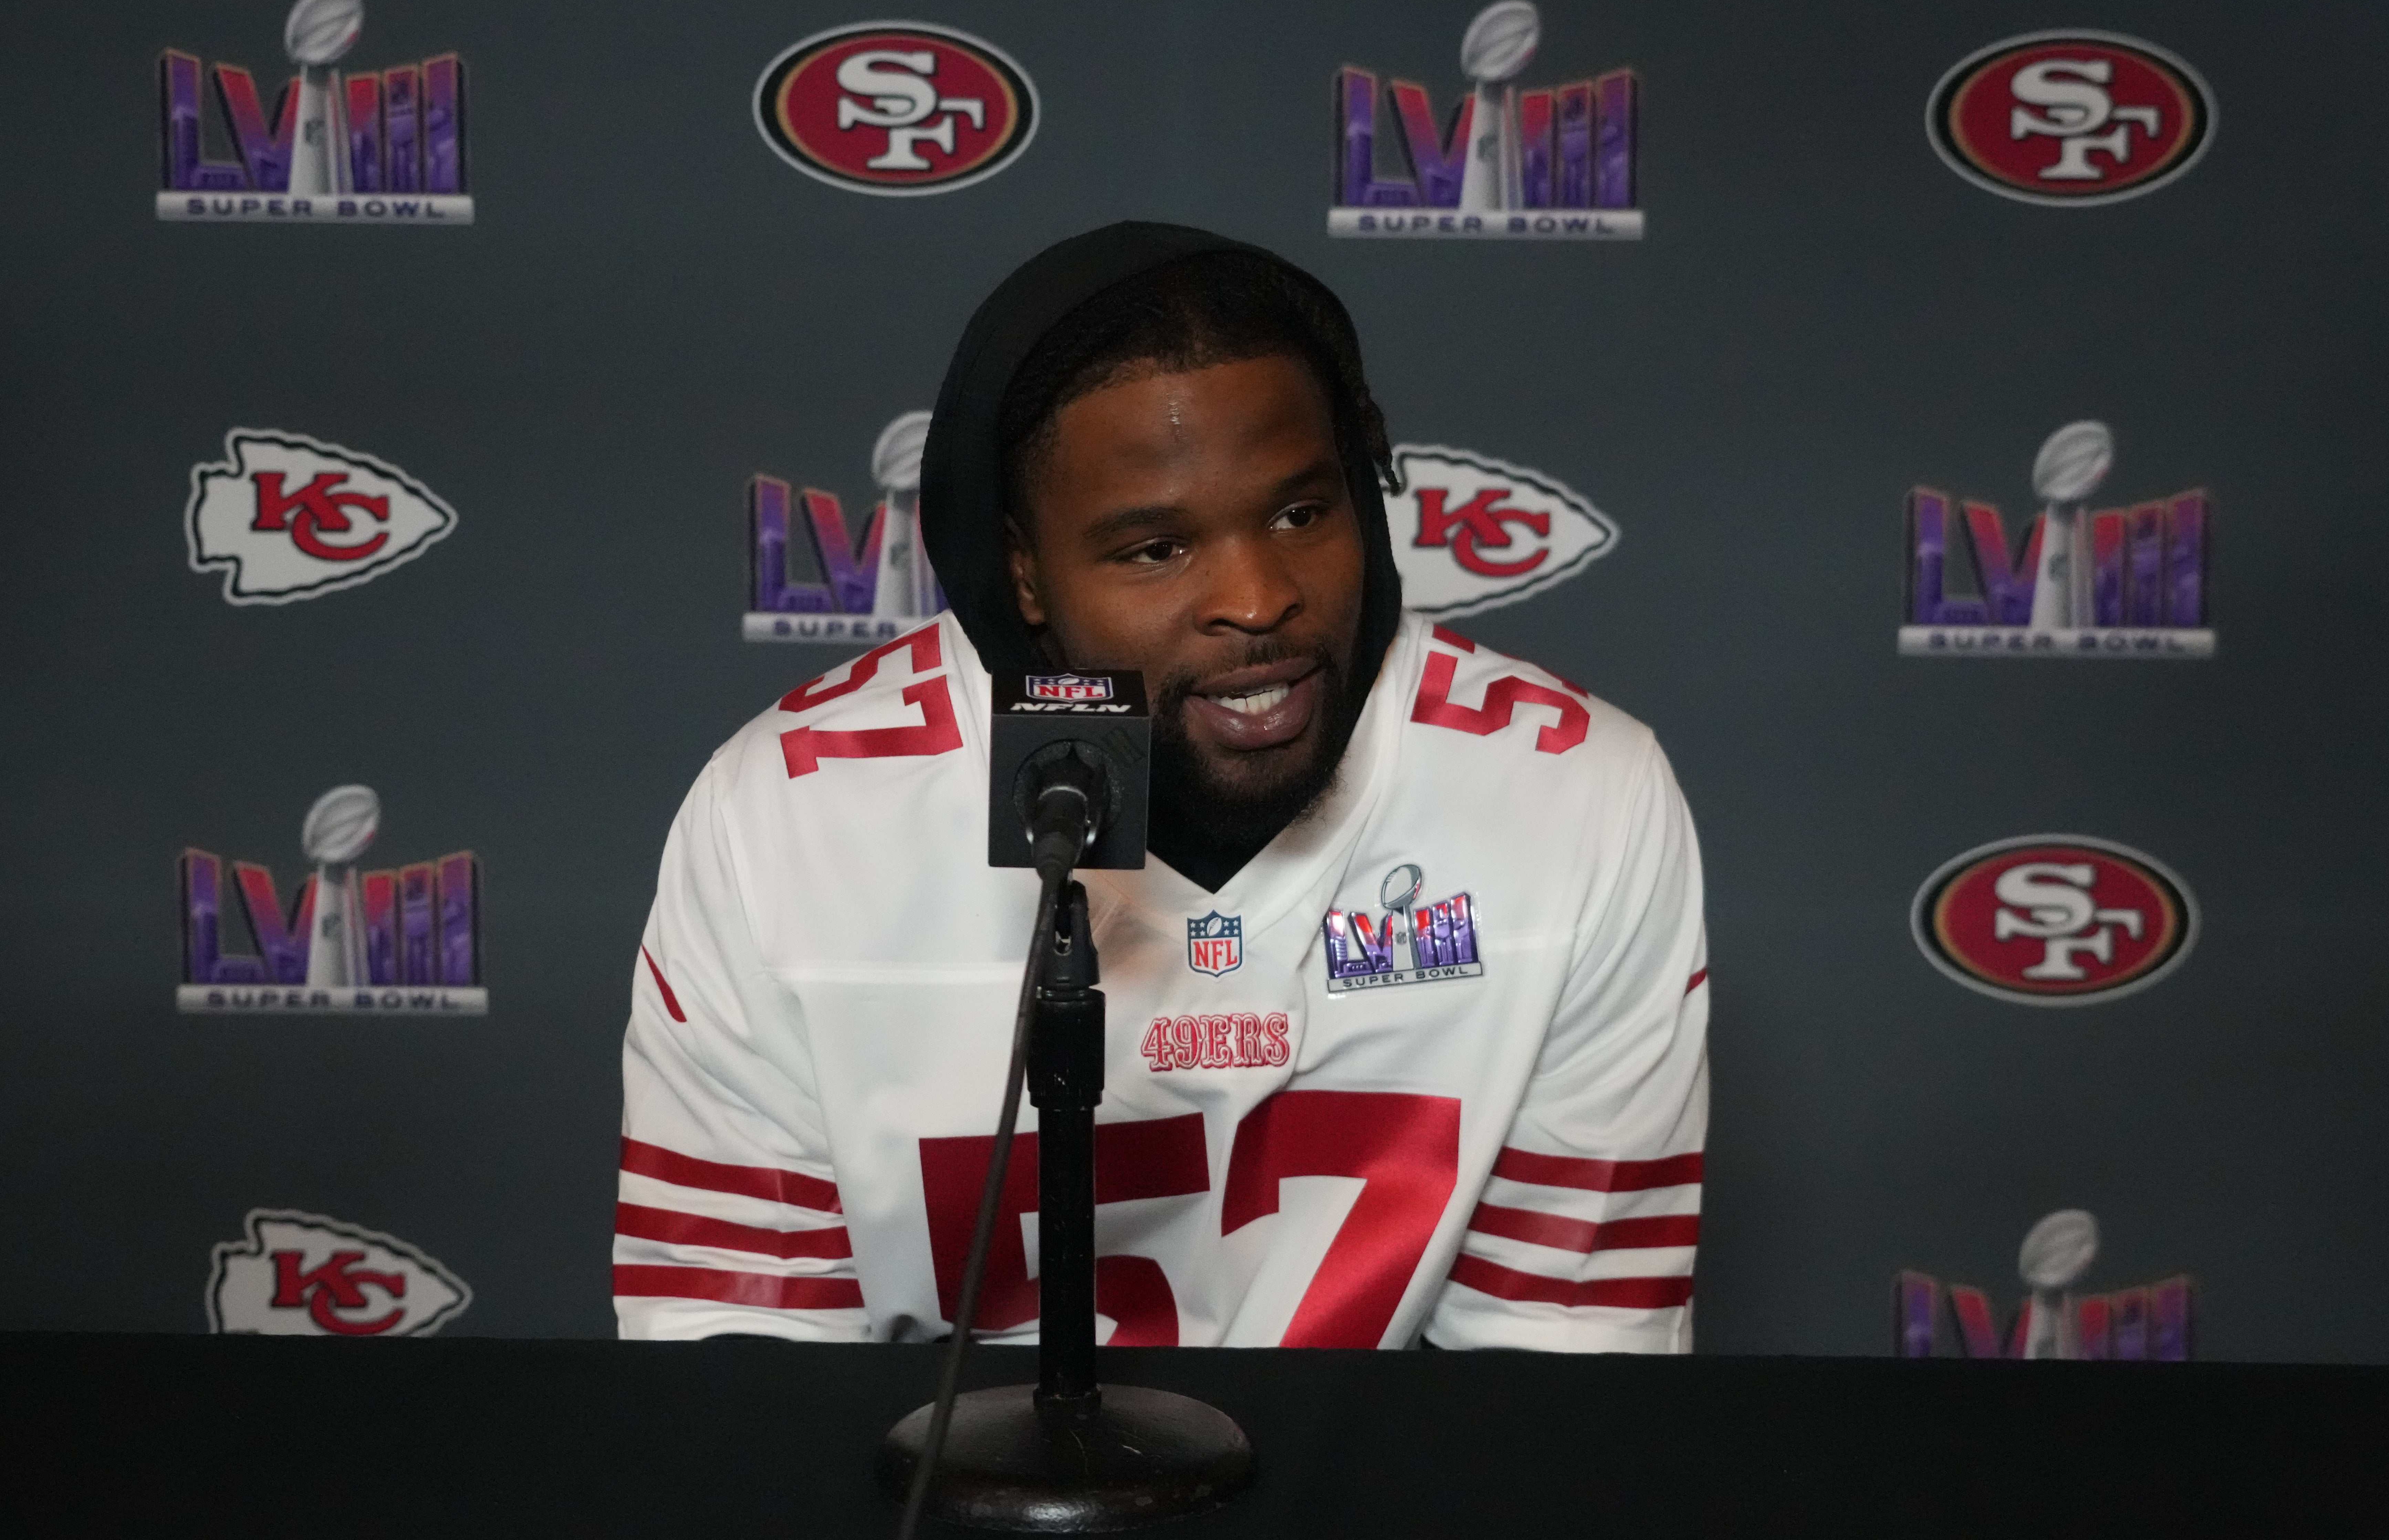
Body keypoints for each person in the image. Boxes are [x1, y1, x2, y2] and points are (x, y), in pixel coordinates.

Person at [614, 222, 1709, 1352]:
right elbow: (739, 1381)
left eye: (1301, 512)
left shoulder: (1574, 794)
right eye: (1155, 549)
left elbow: (1561, 1389)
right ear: (1024, 568)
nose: (1256, 596)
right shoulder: (788, 817)